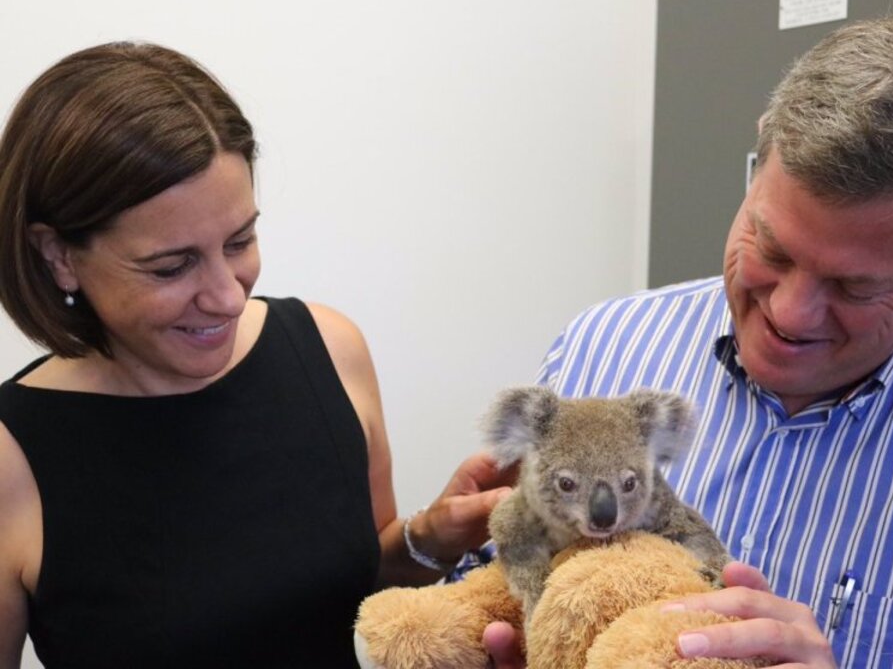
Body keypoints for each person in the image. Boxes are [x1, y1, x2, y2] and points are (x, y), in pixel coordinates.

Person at [0, 42, 516, 668]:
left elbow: (354, 607)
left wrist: (425, 542)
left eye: (240, 240)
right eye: (172, 266)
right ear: (58, 255)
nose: (225, 296)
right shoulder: (14, 457)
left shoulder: (330, 349)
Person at [484, 16, 893, 668]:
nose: (791, 313)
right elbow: (497, 586)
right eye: (770, 247)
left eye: (854, 286)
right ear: (756, 161)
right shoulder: (599, 347)